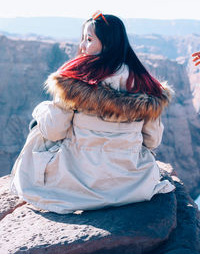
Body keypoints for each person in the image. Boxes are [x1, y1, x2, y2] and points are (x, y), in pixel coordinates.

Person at [10, 11, 175, 214]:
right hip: (131, 183)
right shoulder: (146, 87)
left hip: (76, 182)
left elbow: (54, 131)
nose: (82, 47)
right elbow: (152, 141)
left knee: (39, 127)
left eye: (88, 40)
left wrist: (40, 111)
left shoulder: (73, 82)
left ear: (107, 43)